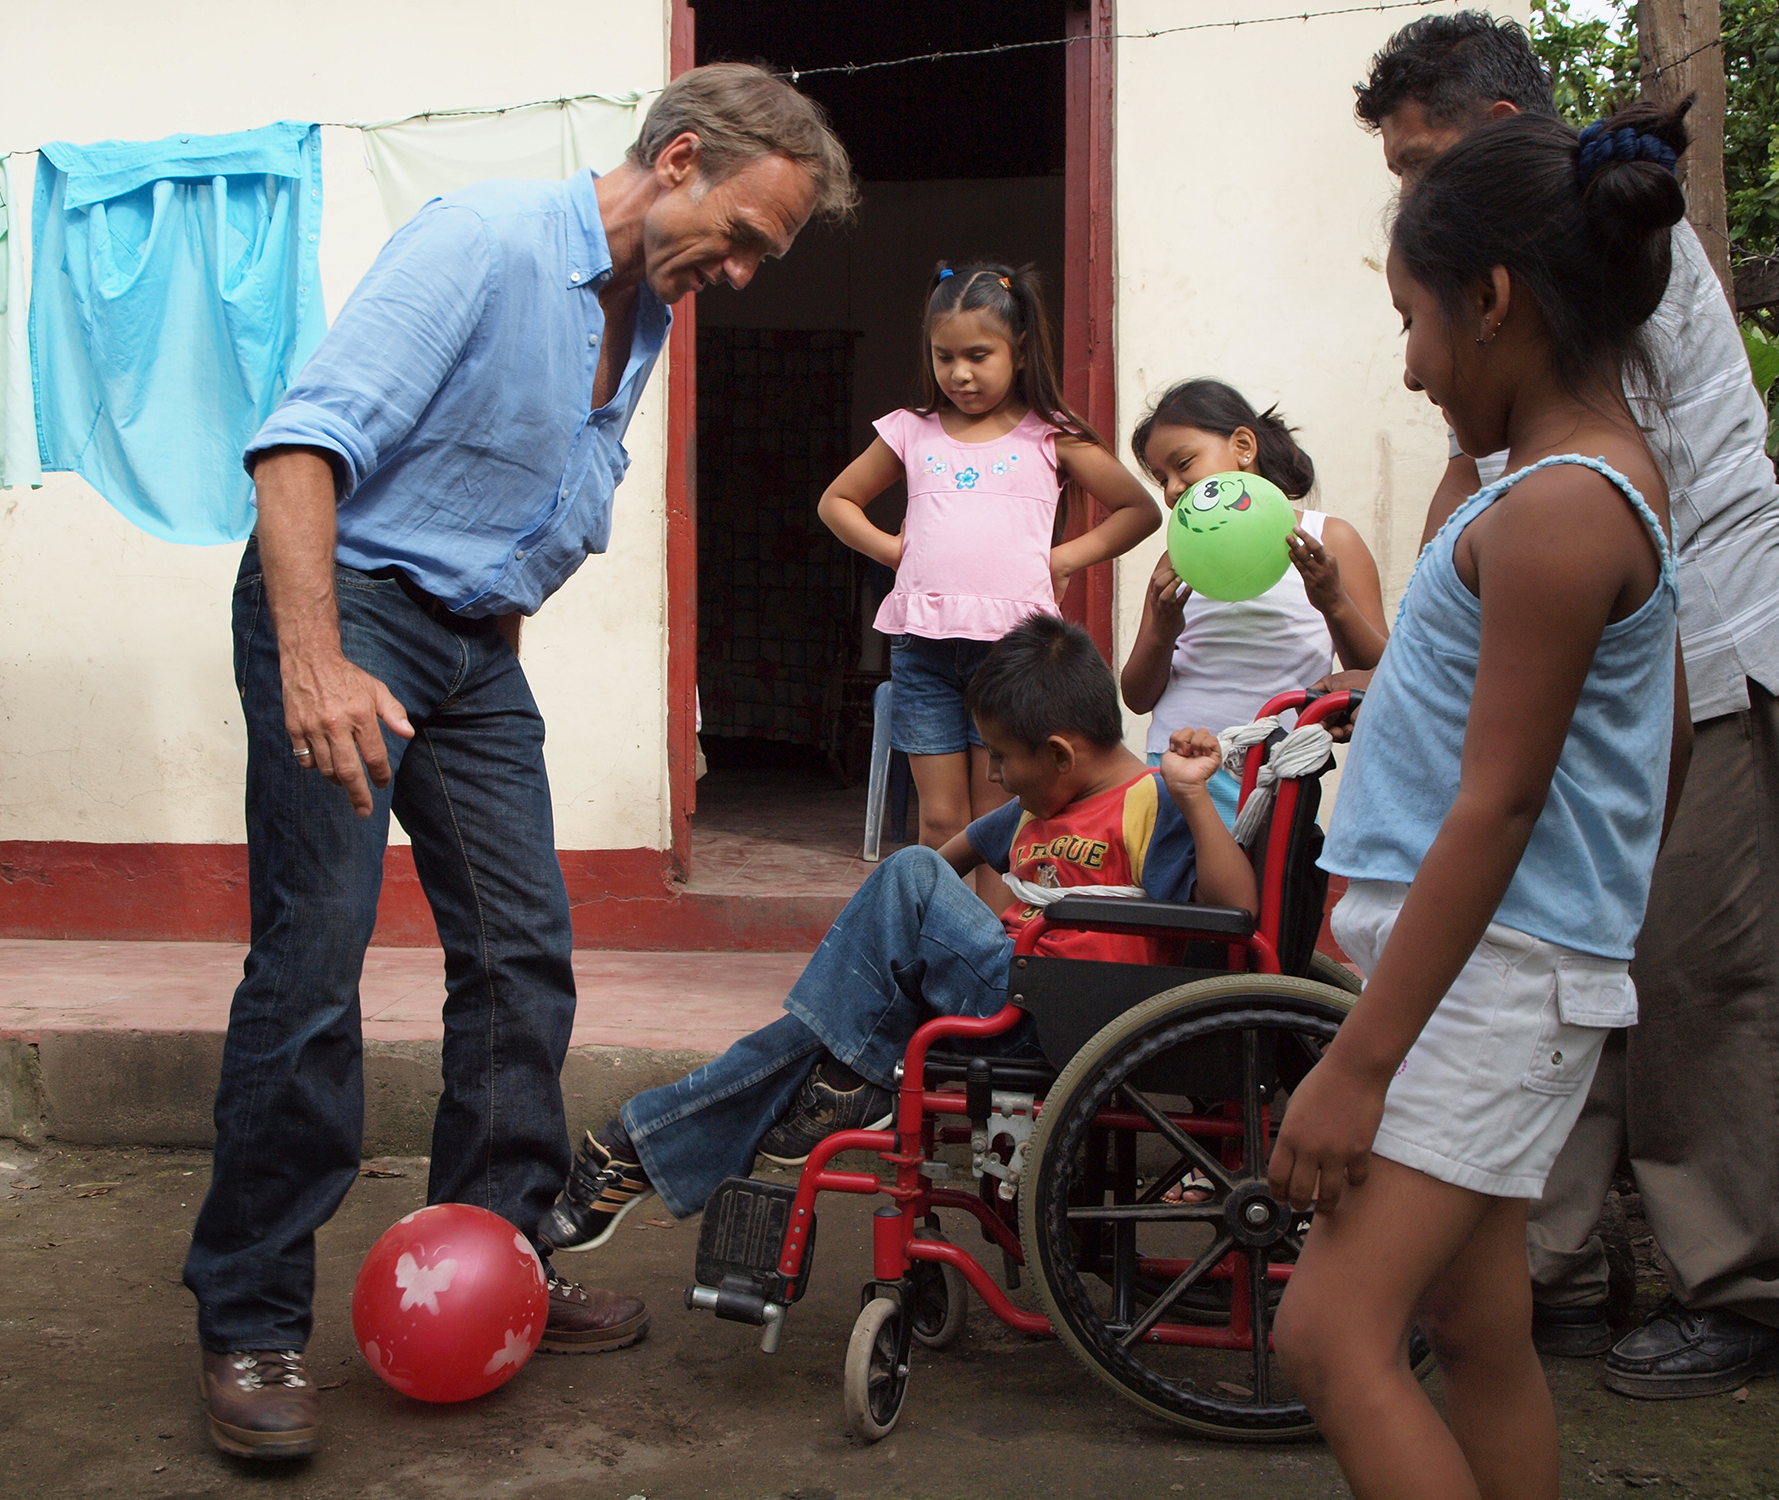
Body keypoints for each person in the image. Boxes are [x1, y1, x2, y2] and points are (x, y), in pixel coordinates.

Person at [180, 64, 856, 1461]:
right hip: (351, 609)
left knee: (522, 951)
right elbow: (299, 450)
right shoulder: (483, 243)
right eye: (741, 236)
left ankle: (498, 1263)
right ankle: (250, 1319)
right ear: (679, 158)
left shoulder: (645, 307)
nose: (737, 274)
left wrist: (491, 651)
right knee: (312, 961)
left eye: (762, 259)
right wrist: (313, 660)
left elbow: (519, 503)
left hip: (473, 649)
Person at [1352, 11, 1779, 1397]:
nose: (1412, 194)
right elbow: (1477, 473)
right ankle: (1541, 1268)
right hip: (1596, 657)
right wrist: (1423, 652)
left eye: (1421, 161)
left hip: (1712, 648)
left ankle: (1744, 1283)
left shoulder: (1597, 246)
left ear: (1503, 131)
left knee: (1705, 973)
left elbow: (1564, 495)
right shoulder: (1501, 293)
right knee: (1552, 945)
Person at [1268, 102, 1697, 1499]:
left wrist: (1358, 1066)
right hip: (1488, 971)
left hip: (1489, 983)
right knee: (1474, 1328)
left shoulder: (1562, 510)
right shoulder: (1550, 483)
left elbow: (1498, 807)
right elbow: (1635, 738)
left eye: (1414, 320)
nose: (1407, 363)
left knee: (1329, 1340)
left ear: (1495, 301)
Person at [537, 612, 1256, 1245]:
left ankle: (657, 1139)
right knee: (855, 979)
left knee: (907, 875)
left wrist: (1194, 798)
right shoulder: (1035, 809)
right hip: (1006, 994)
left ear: (1060, 754)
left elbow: (1235, 914)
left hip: (1069, 1015)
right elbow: (950, 864)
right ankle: (663, 1137)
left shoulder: (1149, 801)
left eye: (1002, 757)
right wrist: (894, 942)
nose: (996, 775)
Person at [818, 263, 1159, 910]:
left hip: (1010, 658)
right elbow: (836, 501)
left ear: (1020, 350)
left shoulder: (1050, 434)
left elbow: (1137, 510)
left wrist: (1063, 557)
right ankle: (939, 944)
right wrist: (895, 549)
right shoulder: (910, 429)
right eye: (944, 356)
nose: (961, 374)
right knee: (940, 822)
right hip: (923, 650)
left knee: (998, 822)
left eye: (979, 355)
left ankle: (1000, 953)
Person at [1121, 379, 1388, 825]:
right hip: (1179, 760)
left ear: (1243, 446)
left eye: (1183, 464)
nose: (1172, 490)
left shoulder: (1329, 538)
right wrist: (1162, 631)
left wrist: (1333, 603)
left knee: (1261, 872)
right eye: (1162, 479)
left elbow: (1379, 673)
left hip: (1275, 765)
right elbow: (1136, 695)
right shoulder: (1178, 557)